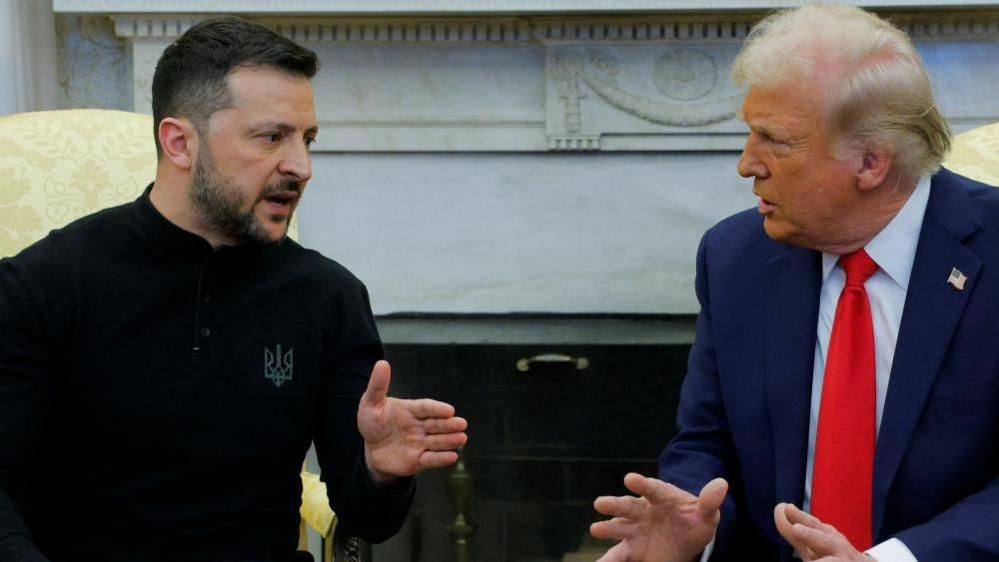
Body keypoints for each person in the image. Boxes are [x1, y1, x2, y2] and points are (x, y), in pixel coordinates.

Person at [0, 16, 467, 562]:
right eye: (271, 137)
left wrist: (379, 470)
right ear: (179, 143)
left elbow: (364, 517)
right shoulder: (41, 285)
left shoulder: (328, 296)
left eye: (307, 139)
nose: (302, 166)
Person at [590, 5, 999, 562]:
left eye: (774, 140)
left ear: (870, 162)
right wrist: (694, 526)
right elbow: (707, 441)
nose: (746, 164)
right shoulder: (735, 258)